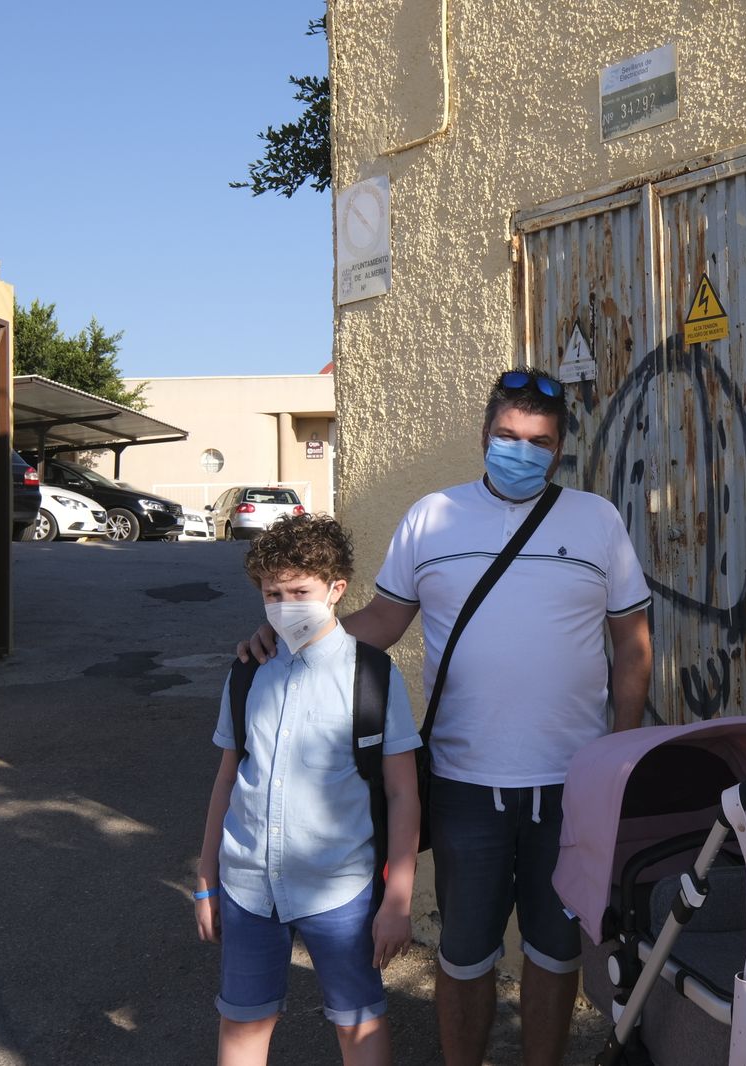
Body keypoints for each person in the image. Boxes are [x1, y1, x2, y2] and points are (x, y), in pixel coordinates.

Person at [243, 367, 655, 1066]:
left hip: (572, 786)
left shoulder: (597, 521)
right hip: (464, 783)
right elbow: (382, 621)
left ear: (559, 450)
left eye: (539, 441)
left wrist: (619, 761)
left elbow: (632, 646)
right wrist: (293, 636)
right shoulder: (432, 517)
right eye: (508, 435)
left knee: (556, 952)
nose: (521, 451)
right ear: (484, 435)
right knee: (464, 955)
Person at [196, 514, 421, 1066]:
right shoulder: (248, 671)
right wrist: (206, 881)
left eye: (300, 592)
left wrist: (397, 900)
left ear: (336, 589)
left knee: (358, 1022)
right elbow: (228, 777)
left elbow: (403, 794)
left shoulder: (372, 676)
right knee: (243, 1020)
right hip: (248, 884)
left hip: (340, 889)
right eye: (273, 594)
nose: (285, 606)